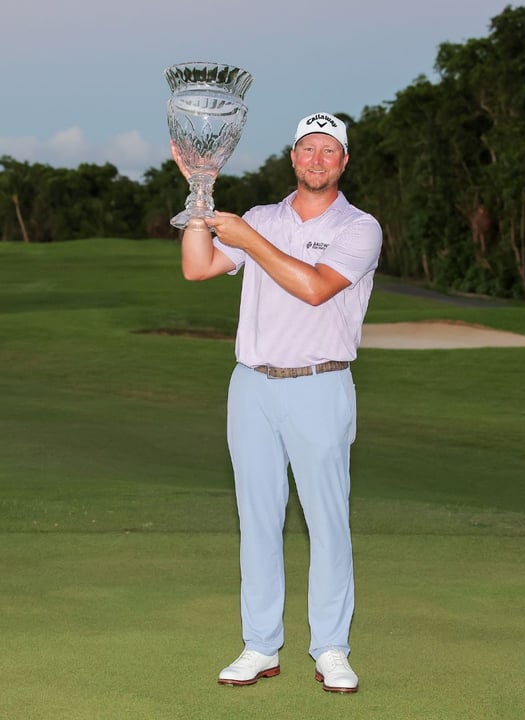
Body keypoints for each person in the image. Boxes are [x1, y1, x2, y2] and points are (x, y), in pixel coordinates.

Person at [175, 112, 383, 694]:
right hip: (252, 386)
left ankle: (332, 648)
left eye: (329, 151)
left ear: (343, 161)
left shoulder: (360, 228)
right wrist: (199, 193)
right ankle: (260, 645)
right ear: (293, 157)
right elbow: (199, 266)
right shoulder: (263, 217)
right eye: (307, 149)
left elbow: (315, 289)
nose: (317, 160)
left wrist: (249, 240)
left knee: (327, 524)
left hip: (320, 382)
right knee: (258, 522)